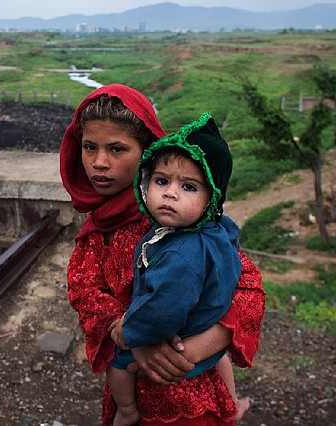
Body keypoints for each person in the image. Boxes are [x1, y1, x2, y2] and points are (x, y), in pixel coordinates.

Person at [60, 83, 265, 425]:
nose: (99, 162)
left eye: (117, 149)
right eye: (89, 147)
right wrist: (135, 339)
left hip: (190, 391)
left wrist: (197, 348)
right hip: (134, 385)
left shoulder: (180, 220)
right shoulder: (101, 222)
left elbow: (247, 288)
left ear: (146, 151)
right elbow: (85, 290)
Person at [106, 112, 250, 426]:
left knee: (117, 366)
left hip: (179, 342)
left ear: (212, 196)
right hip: (209, 332)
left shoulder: (181, 255)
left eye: (188, 187)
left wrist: (128, 331)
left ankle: (127, 411)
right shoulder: (219, 228)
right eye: (161, 181)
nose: (170, 193)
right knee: (222, 360)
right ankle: (232, 404)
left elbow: (161, 312)